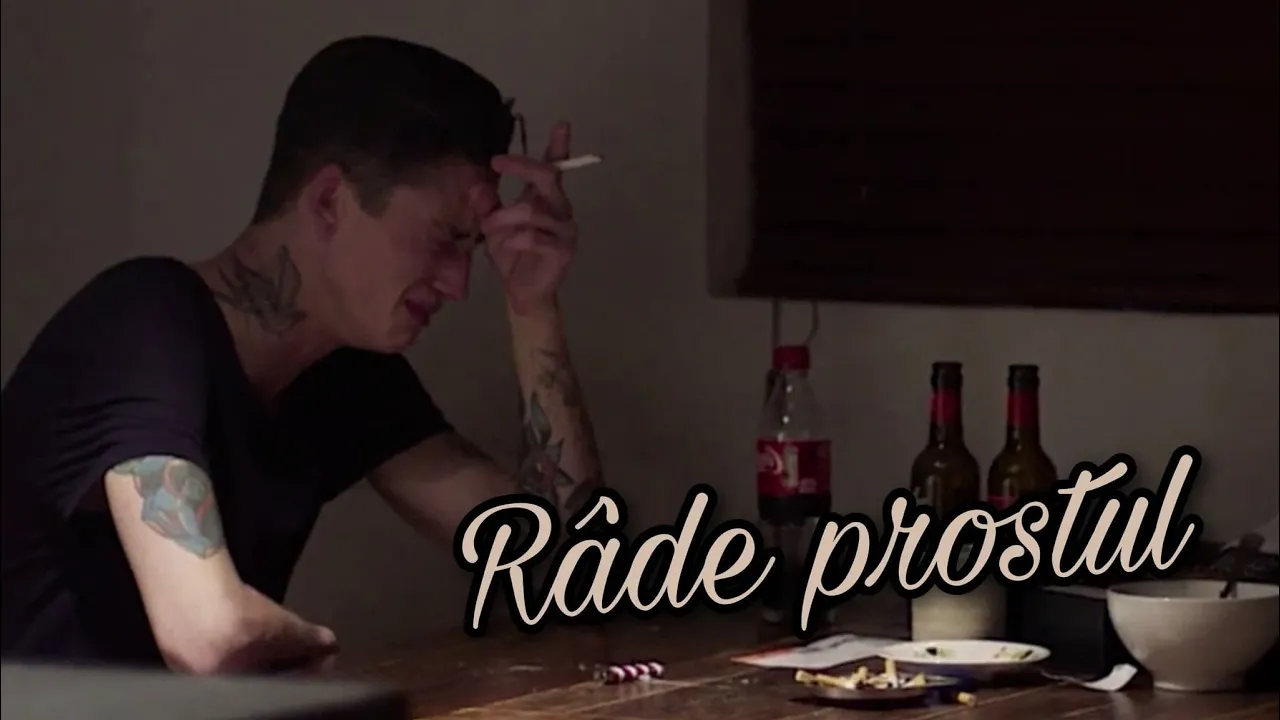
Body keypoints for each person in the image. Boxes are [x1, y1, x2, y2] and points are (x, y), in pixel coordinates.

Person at [0, 36, 603, 674]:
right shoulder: (143, 322)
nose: (459, 283)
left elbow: (567, 577)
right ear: (329, 202)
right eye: (446, 239)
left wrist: (532, 308)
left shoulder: (345, 370)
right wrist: (323, 650)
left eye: (473, 247)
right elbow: (211, 634)